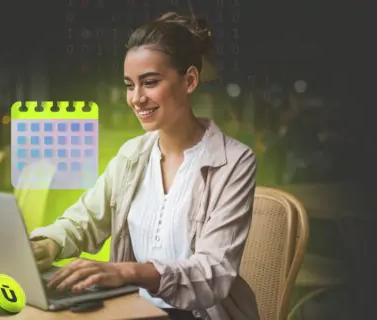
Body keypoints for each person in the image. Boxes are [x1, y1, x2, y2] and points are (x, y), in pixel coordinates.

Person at [28, 12, 260, 320]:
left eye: (149, 82)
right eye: (129, 85)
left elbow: (213, 273)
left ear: (190, 80)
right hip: (134, 311)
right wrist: (49, 244)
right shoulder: (132, 155)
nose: (136, 98)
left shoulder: (235, 161)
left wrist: (126, 272)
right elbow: (86, 218)